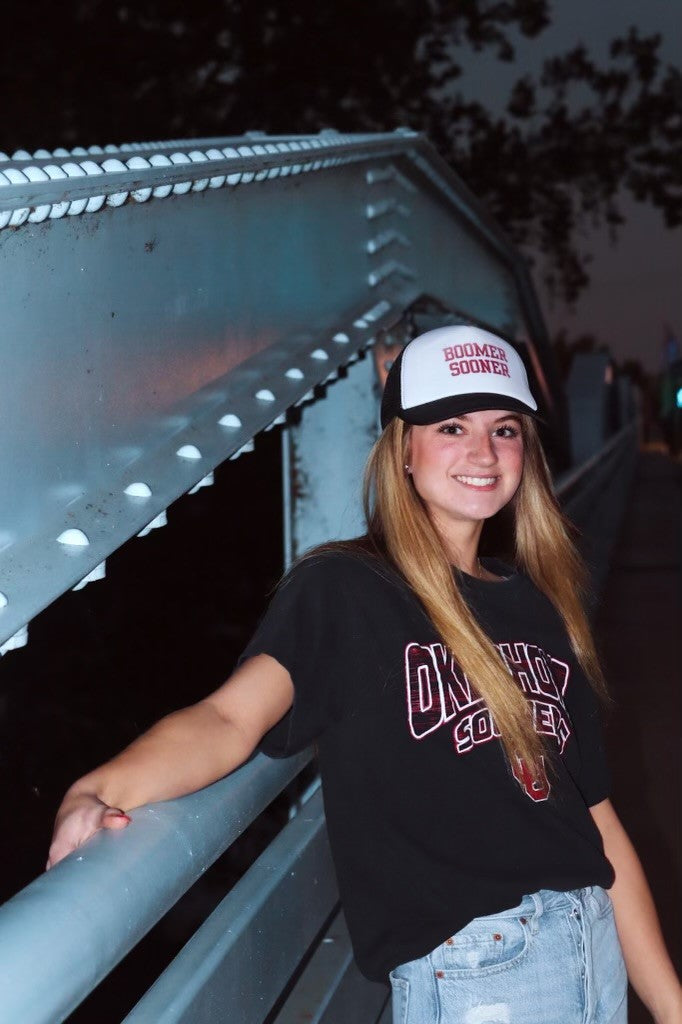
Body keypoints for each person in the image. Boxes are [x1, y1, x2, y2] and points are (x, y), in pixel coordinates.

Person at [49, 326, 681, 1024]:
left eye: (505, 429)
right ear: (402, 450)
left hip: (591, 952)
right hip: (485, 970)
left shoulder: (536, 605)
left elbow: (595, 820)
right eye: (451, 426)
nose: (483, 451)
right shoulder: (346, 588)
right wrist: (98, 786)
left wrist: (671, 1002)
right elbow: (232, 717)